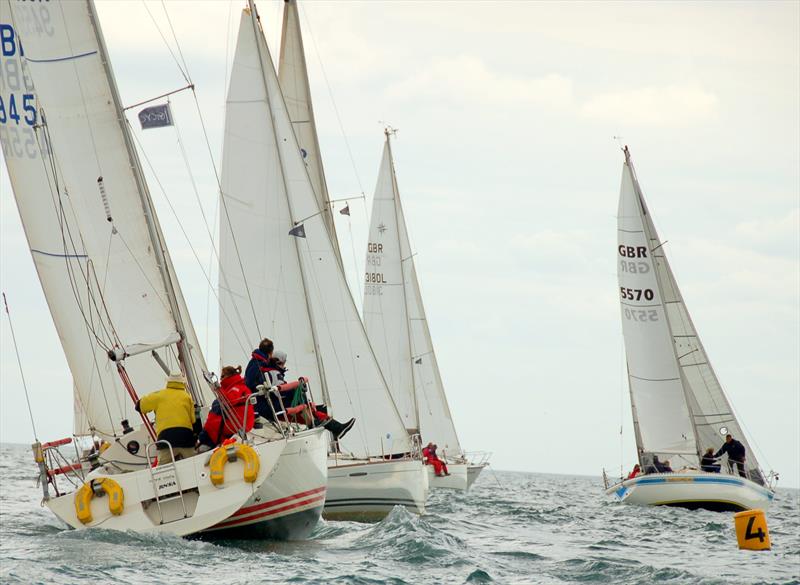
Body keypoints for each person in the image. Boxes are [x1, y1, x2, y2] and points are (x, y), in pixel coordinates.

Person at [136, 373, 196, 465]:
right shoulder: (187, 397)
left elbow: (139, 406)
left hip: (166, 438)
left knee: (163, 469)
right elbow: (193, 420)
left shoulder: (159, 395)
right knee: (193, 464)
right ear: (182, 383)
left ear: (168, 382)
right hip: (186, 437)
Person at [198, 365, 255, 451]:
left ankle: (205, 444)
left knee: (210, 427)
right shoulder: (237, 387)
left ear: (229, 376)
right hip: (237, 422)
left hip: (237, 424)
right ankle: (204, 442)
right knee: (213, 419)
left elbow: (229, 400)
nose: (221, 380)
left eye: (222, 376)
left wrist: (219, 389)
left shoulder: (237, 388)